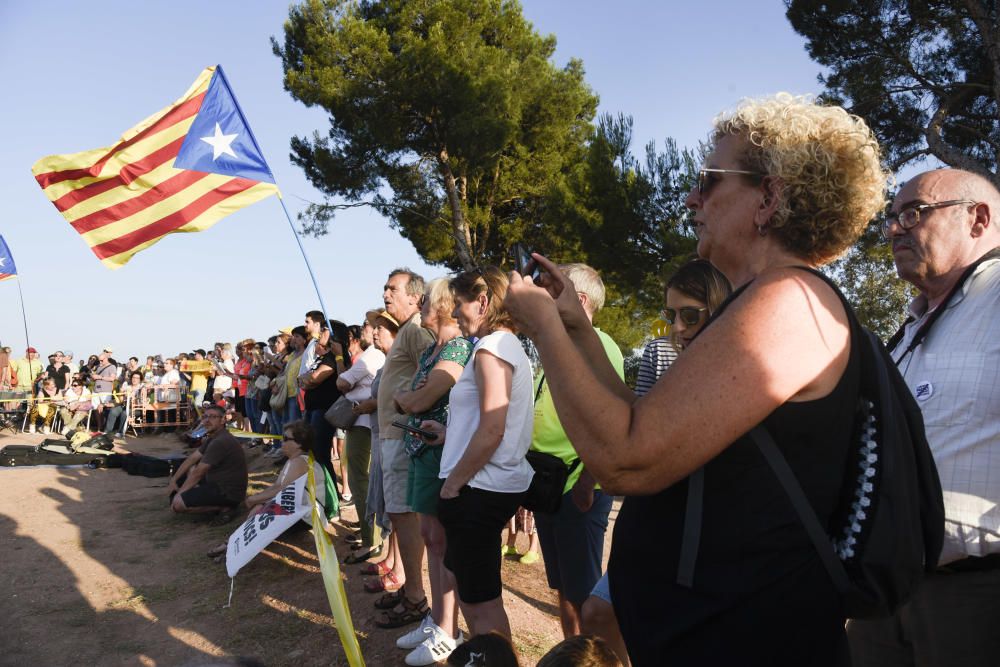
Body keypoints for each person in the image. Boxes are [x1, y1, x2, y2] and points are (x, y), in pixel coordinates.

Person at [504, 93, 888, 665]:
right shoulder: (765, 302)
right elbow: (643, 426)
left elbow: (627, 461)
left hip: (745, 636)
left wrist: (542, 329)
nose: (691, 197)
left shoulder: (787, 300)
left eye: (709, 180)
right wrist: (576, 329)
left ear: (770, 197)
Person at [847, 170, 1000, 666]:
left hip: (976, 598)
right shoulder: (912, 326)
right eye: (891, 218)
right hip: (888, 593)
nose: (894, 229)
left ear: (977, 218)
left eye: (913, 213)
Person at [581, 259, 732, 667]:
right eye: (671, 315)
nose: (678, 327)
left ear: (719, 312)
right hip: (656, 517)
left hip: (703, 537)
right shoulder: (661, 349)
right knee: (597, 612)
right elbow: (640, 417)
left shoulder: (738, 370)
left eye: (690, 315)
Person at [421, 266, 535, 642]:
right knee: (471, 589)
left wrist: (452, 485)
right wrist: (448, 435)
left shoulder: (492, 347)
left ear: (483, 302)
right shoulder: (499, 347)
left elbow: (492, 429)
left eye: (459, 304)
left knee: (480, 603)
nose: (454, 314)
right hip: (483, 486)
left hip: (478, 490)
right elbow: (487, 423)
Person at [529, 263, 625, 640]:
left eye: (555, 288)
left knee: (585, 596)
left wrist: (587, 481)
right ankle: (572, 654)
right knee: (562, 589)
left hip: (575, 488)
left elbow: (610, 422)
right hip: (547, 484)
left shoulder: (599, 346)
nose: (546, 295)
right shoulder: (557, 346)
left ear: (579, 299)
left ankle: (591, 659)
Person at [391, 277, 473, 665]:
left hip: (438, 452)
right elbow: (409, 393)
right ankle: (438, 620)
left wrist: (408, 400)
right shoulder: (433, 348)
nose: (421, 304)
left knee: (440, 540)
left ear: (441, 304)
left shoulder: (457, 346)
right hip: (422, 449)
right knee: (430, 535)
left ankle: (447, 628)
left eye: (426, 299)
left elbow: (421, 395)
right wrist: (408, 398)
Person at [373, 269, 434, 626]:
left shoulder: (415, 329)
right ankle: (410, 587)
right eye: (384, 287)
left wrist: (408, 402)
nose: (385, 293)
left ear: (414, 296)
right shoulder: (408, 330)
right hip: (392, 434)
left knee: (403, 516)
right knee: (397, 515)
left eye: (392, 288)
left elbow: (436, 369)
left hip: (401, 435)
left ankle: (415, 597)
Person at [207, 419, 328, 561]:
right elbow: (277, 486)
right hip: (297, 510)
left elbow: (281, 491)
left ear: (299, 444)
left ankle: (233, 547)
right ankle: (233, 546)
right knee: (260, 508)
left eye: (286, 438)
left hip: (306, 516)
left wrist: (253, 499)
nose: (282, 441)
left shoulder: (299, 462)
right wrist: (258, 498)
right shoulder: (293, 461)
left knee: (260, 509)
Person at [337, 315, 387, 563]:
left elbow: (342, 382)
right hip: (366, 423)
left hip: (362, 424)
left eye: (373, 326)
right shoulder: (377, 356)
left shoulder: (371, 356)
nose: (371, 331)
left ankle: (371, 540)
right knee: (364, 479)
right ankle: (371, 534)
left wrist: (338, 359)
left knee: (360, 480)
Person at [169, 404, 248, 522]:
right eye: (205, 417)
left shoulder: (220, 441)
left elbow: (199, 472)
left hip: (228, 492)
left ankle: (225, 507)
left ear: (223, 420)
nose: (206, 421)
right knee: (183, 471)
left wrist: (180, 494)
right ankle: (205, 499)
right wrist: (173, 480)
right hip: (217, 483)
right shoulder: (214, 437)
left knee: (177, 504)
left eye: (212, 417)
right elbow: (192, 459)